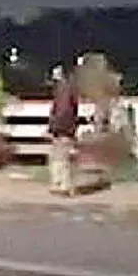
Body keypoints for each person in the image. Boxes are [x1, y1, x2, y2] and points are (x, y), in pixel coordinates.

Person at [47, 65, 79, 196]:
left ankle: (61, 184)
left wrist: (53, 126)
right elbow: (73, 109)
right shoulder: (68, 90)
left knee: (59, 156)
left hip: (61, 127)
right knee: (62, 156)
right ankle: (62, 184)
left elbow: (60, 111)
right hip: (67, 127)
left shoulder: (62, 91)